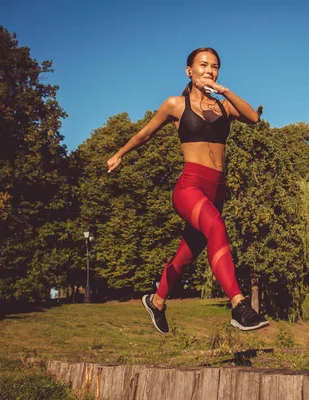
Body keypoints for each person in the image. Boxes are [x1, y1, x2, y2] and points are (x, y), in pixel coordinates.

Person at [106, 47, 269, 333]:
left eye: (215, 66)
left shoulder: (224, 106)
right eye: (203, 65)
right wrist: (120, 153)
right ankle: (239, 306)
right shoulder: (176, 105)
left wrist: (224, 91)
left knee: (187, 253)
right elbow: (146, 133)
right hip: (190, 185)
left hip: (217, 190)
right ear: (189, 70)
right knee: (217, 228)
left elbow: (253, 118)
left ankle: (156, 301)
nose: (209, 70)